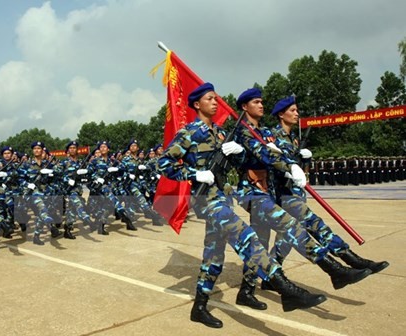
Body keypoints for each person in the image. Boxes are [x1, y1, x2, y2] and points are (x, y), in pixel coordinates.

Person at [158, 83, 326, 329]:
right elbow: (164, 163)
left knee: (213, 255)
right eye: (209, 99)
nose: (215, 102)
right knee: (245, 236)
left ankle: (199, 306)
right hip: (207, 200)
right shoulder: (189, 133)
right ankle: (283, 286)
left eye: (216, 98)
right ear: (197, 104)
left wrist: (239, 153)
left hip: (223, 197)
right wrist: (195, 173)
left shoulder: (221, 133)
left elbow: (242, 162)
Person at [232, 89, 372, 310]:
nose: (261, 105)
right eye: (256, 102)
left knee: (259, 242)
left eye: (262, 101)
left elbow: (276, 154)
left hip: (268, 192)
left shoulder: (265, 132)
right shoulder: (243, 131)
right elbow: (265, 154)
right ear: (244, 107)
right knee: (292, 227)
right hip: (250, 191)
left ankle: (246, 291)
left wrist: (296, 159)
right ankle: (334, 269)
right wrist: (289, 165)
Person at [267, 96, 388, 273]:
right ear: (281, 114)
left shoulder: (293, 138)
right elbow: (272, 165)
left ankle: (272, 274)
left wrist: (305, 160)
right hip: (284, 194)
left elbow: (302, 171)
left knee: (286, 238)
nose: (297, 113)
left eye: (297, 110)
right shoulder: (272, 137)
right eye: (292, 110)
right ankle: (350, 258)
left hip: (297, 192)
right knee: (315, 224)